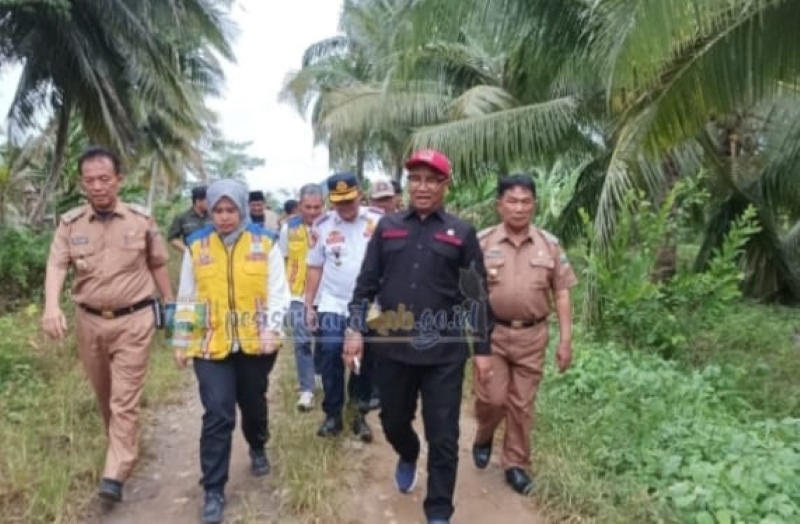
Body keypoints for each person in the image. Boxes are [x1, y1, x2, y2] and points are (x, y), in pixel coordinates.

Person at [345, 149, 495, 524]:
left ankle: (439, 511)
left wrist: (482, 350)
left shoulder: (461, 233)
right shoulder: (388, 227)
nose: (423, 187)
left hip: (444, 353)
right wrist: (355, 328)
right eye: (416, 179)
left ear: (445, 185)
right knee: (393, 421)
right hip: (393, 349)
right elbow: (365, 284)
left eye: (431, 180)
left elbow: (476, 296)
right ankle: (408, 452)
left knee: (443, 436)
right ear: (408, 184)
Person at [41, 146, 174, 503]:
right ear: (82, 184)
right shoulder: (70, 225)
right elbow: (57, 265)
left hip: (135, 320)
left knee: (123, 399)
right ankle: (122, 445)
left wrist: (170, 303)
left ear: (119, 180)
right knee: (105, 395)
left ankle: (115, 472)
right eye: (90, 181)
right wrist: (51, 306)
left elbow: (158, 263)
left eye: (104, 179)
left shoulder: (141, 220)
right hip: (90, 322)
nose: (98, 186)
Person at [174, 178, 290, 524]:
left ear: (241, 210)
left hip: (256, 343)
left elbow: (278, 292)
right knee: (217, 413)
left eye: (230, 210)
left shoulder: (265, 242)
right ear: (209, 210)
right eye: (218, 210)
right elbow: (187, 295)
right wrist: (182, 340)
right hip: (211, 344)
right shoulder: (196, 245)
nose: (224, 217)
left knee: (253, 404)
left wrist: (271, 328)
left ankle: (257, 445)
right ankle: (213, 489)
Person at [472, 174, 576, 494]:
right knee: (492, 399)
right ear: (499, 205)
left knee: (521, 404)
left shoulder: (550, 245)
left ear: (534, 205)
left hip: (533, 336)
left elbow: (562, 294)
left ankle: (515, 463)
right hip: (493, 334)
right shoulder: (482, 242)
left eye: (525, 202)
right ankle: (484, 435)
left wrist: (566, 341)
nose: (519, 208)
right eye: (512, 201)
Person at [304, 172, 384, 441]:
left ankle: (358, 413)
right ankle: (333, 414)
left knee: (366, 359)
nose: (345, 207)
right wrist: (309, 305)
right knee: (329, 352)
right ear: (332, 201)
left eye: (349, 200)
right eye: (339, 202)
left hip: (370, 305)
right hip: (333, 302)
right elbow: (314, 267)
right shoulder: (322, 226)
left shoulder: (378, 221)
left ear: (359, 195)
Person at [277, 184, 325, 411]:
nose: (313, 212)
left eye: (317, 207)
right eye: (308, 207)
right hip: (297, 293)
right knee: (302, 340)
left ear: (323, 205)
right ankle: (306, 389)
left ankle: (319, 374)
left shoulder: (330, 226)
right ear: (299, 206)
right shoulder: (288, 229)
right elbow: (282, 260)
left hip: (326, 294)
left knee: (325, 341)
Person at [167, 186, 210, 252]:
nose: (210, 202)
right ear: (198, 201)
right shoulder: (182, 217)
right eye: (207, 199)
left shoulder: (213, 216)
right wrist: (187, 251)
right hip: (192, 257)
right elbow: (172, 238)